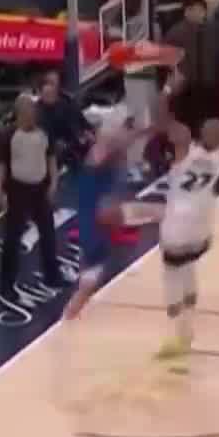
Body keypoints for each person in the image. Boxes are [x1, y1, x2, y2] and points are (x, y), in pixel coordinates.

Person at [155, 75, 219, 363]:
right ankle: (187, 329)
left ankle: (177, 335)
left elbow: (161, 118)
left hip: (177, 225)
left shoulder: (184, 145)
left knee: (171, 275)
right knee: (188, 269)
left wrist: (168, 88)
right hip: (201, 227)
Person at [61, 96, 157, 322]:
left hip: (100, 208)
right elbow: (107, 149)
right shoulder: (102, 152)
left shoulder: (111, 151)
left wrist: (141, 131)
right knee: (93, 268)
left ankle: (72, 312)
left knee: (95, 269)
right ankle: (70, 313)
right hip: (95, 210)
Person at [0, 96, 65, 310]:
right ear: (19, 115)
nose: (31, 117)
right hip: (18, 189)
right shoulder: (8, 135)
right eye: (27, 113)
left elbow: (51, 158)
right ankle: (7, 283)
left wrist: (53, 183)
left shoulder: (44, 133)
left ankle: (51, 274)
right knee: (12, 237)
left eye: (33, 113)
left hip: (40, 188)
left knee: (48, 231)